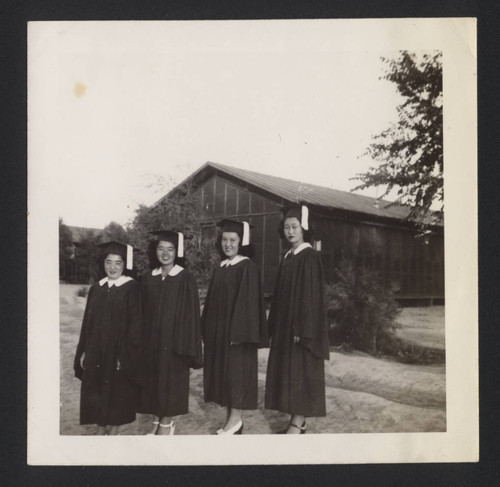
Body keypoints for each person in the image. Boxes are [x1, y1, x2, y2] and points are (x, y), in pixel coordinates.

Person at [265, 204, 329, 434]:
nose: (290, 231)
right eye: (286, 227)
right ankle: (297, 420)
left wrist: (303, 329)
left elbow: (311, 298)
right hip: (285, 326)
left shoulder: (308, 256)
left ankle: (298, 422)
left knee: (300, 371)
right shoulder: (289, 256)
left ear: (304, 229)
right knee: (290, 373)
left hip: (300, 329)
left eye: (295, 227)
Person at [202, 219, 268, 435]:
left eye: (232, 240)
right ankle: (231, 420)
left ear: (242, 243)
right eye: (224, 239)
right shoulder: (221, 267)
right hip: (221, 334)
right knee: (226, 376)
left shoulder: (247, 266)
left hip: (238, 335)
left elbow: (248, 303)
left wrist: (239, 333)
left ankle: (236, 419)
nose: (227, 244)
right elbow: (211, 303)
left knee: (236, 375)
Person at [74, 241, 142, 435]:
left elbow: (136, 326)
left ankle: (114, 433)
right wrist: (84, 350)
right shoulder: (96, 288)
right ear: (103, 264)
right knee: (97, 391)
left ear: (124, 265)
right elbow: (88, 323)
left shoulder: (132, 288)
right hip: (96, 351)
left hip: (118, 353)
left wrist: (126, 354)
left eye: (118, 263)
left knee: (118, 393)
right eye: (109, 262)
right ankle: (102, 430)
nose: (112, 267)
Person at [138, 230, 202, 435]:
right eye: (160, 249)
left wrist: (186, 346)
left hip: (175, 341)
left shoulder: (185, 278)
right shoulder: (148, 278)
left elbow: (192, 315)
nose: (165, 253)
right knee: (153, 380)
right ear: (155, 251)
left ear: (177, 252)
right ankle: (157, 420)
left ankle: (167, 423)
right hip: (151, 341)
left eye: (170, 249)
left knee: (170, 381)